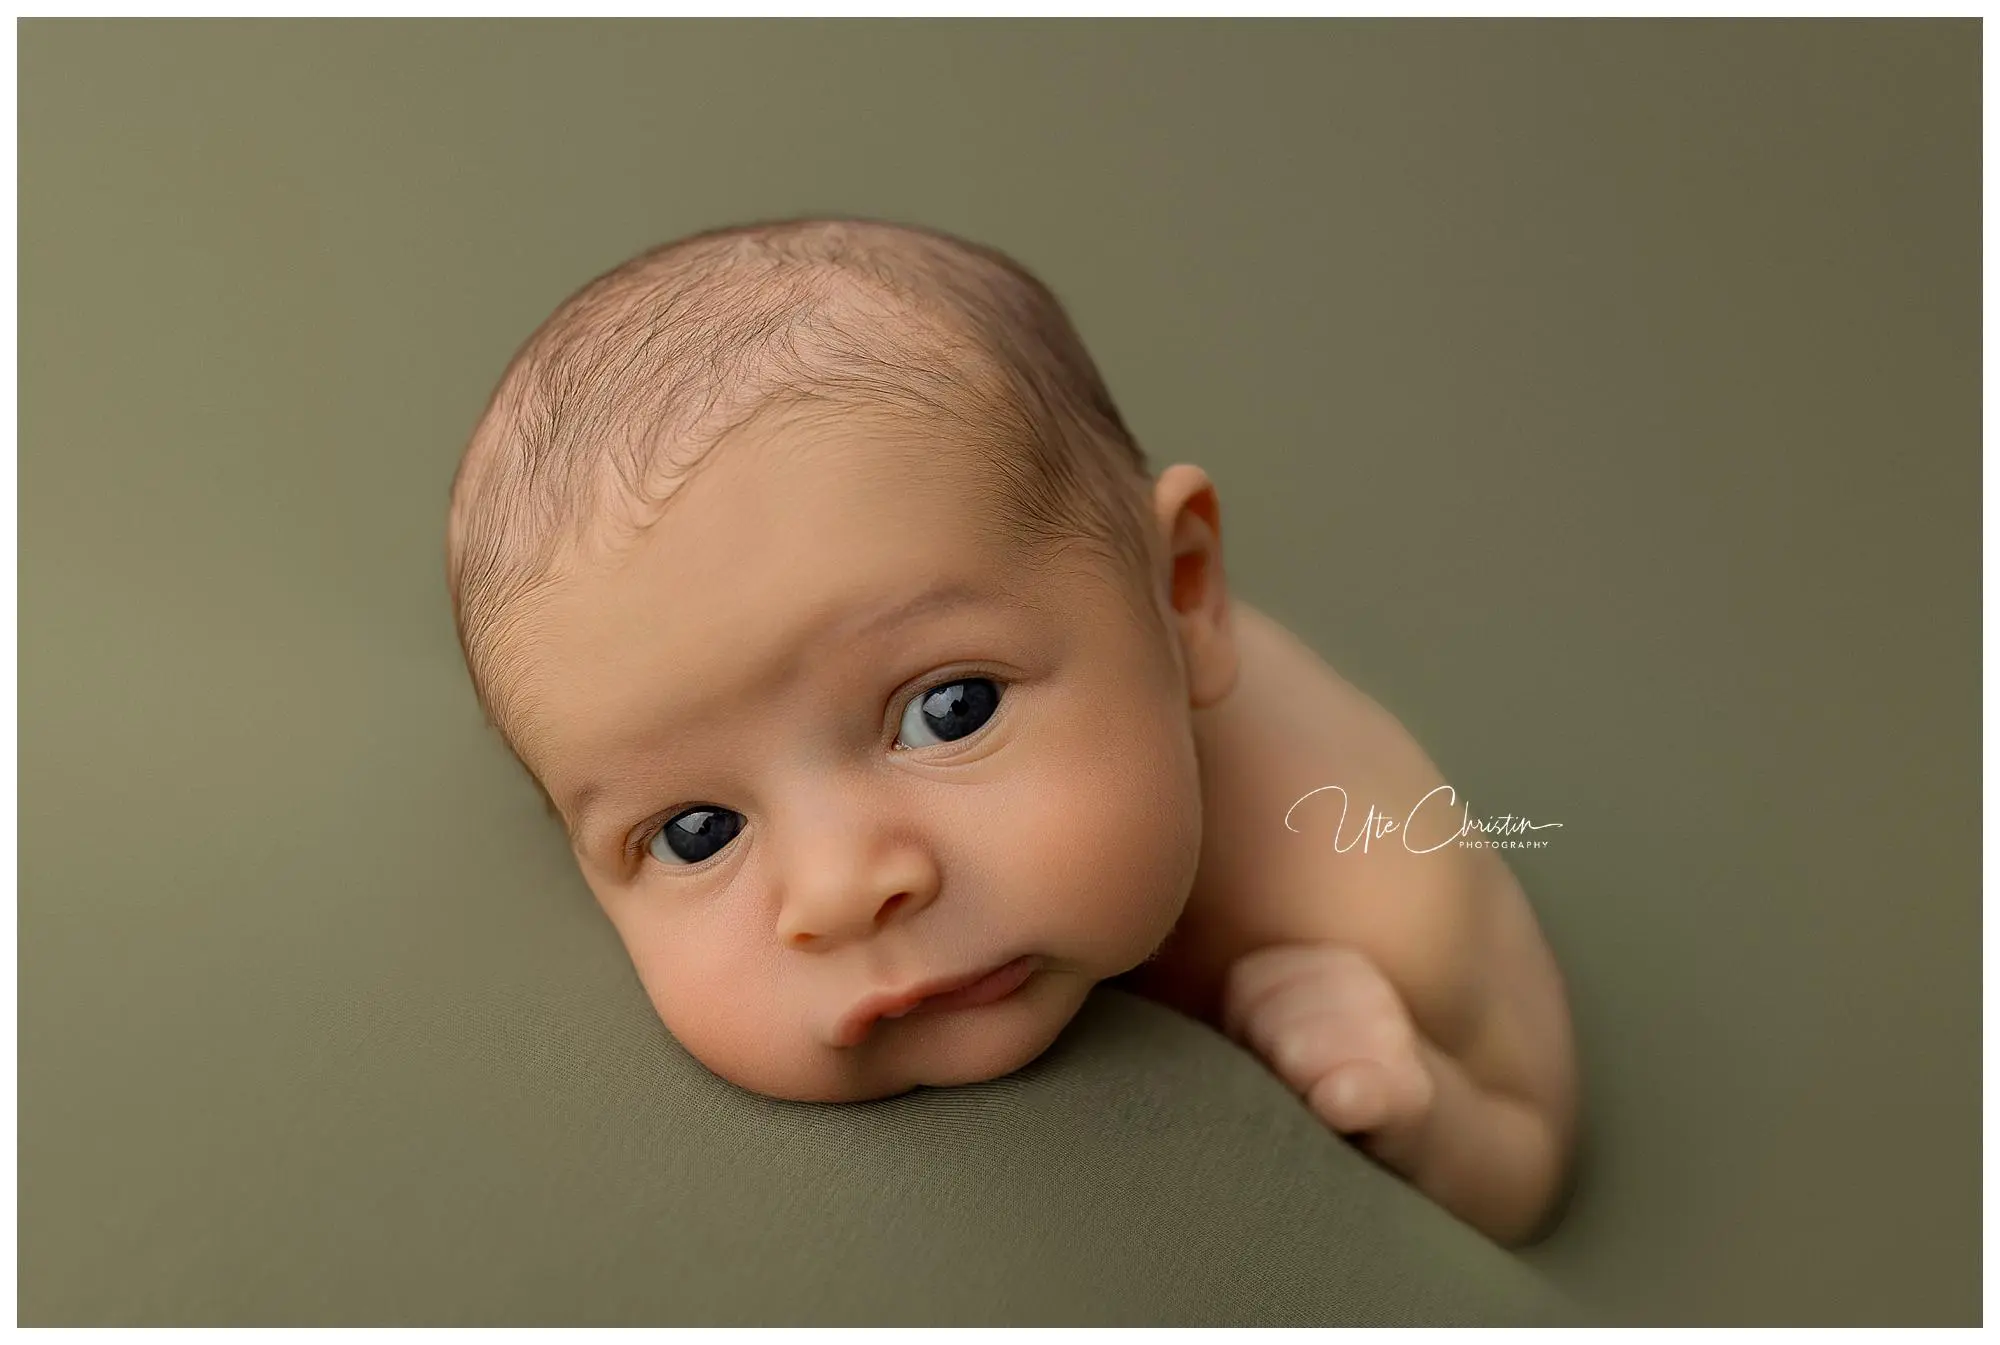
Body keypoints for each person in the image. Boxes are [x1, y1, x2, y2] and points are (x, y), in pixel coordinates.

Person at [443, 216, 1578, 1246]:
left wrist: (1424, 1114)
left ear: (1181, 599)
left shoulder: (1359, 872)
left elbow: (1533, 1156)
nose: (841, 887)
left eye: (950, 710)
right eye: (695, 830)